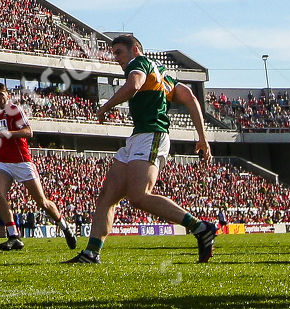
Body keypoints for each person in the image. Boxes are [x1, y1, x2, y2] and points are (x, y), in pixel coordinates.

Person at [66, 34, 218, 265]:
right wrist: (202, 137)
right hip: (138, 136)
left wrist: (106, 106)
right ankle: (91, 253)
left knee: (139, 197)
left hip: (151, 134)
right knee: (107, 196)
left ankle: (200, 227)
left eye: (119, 52)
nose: (116, 58)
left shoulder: (139, 63)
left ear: (135, 49)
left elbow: (134, 84)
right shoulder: (162, 74)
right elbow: (189, 97)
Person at [0, 82, 77, 251]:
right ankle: (13, 236)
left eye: (0, 94)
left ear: (7, 95)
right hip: (3, 162)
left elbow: (29, 132)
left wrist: (7, 134)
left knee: (42, 202)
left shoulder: (15, 110)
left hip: (22, 161)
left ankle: (65, 226)